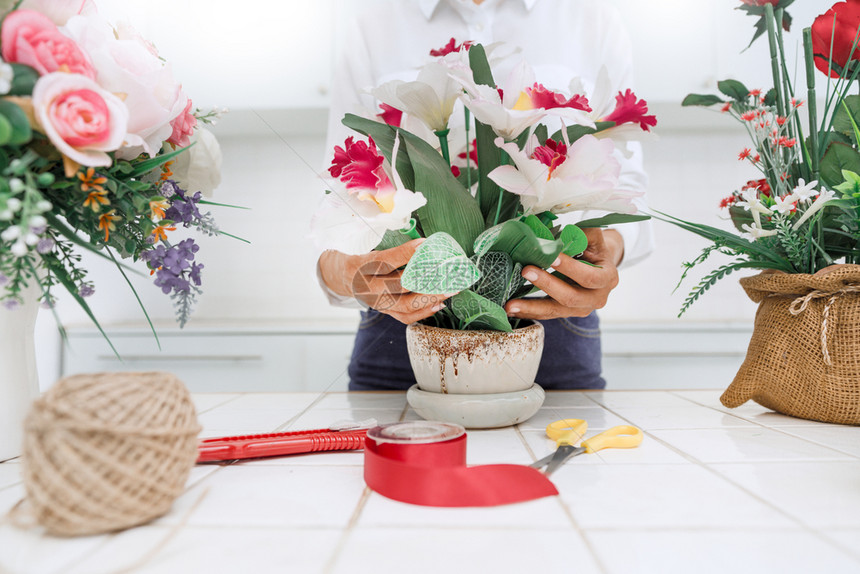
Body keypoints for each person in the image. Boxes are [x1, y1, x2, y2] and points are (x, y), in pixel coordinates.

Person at [317, 0, 655, 391]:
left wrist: (605, 251)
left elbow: (626, 187)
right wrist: (341, 272)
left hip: (550, 316)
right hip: (400, 320)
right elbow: (340, 188)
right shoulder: (373, 23)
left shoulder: (590, 15)